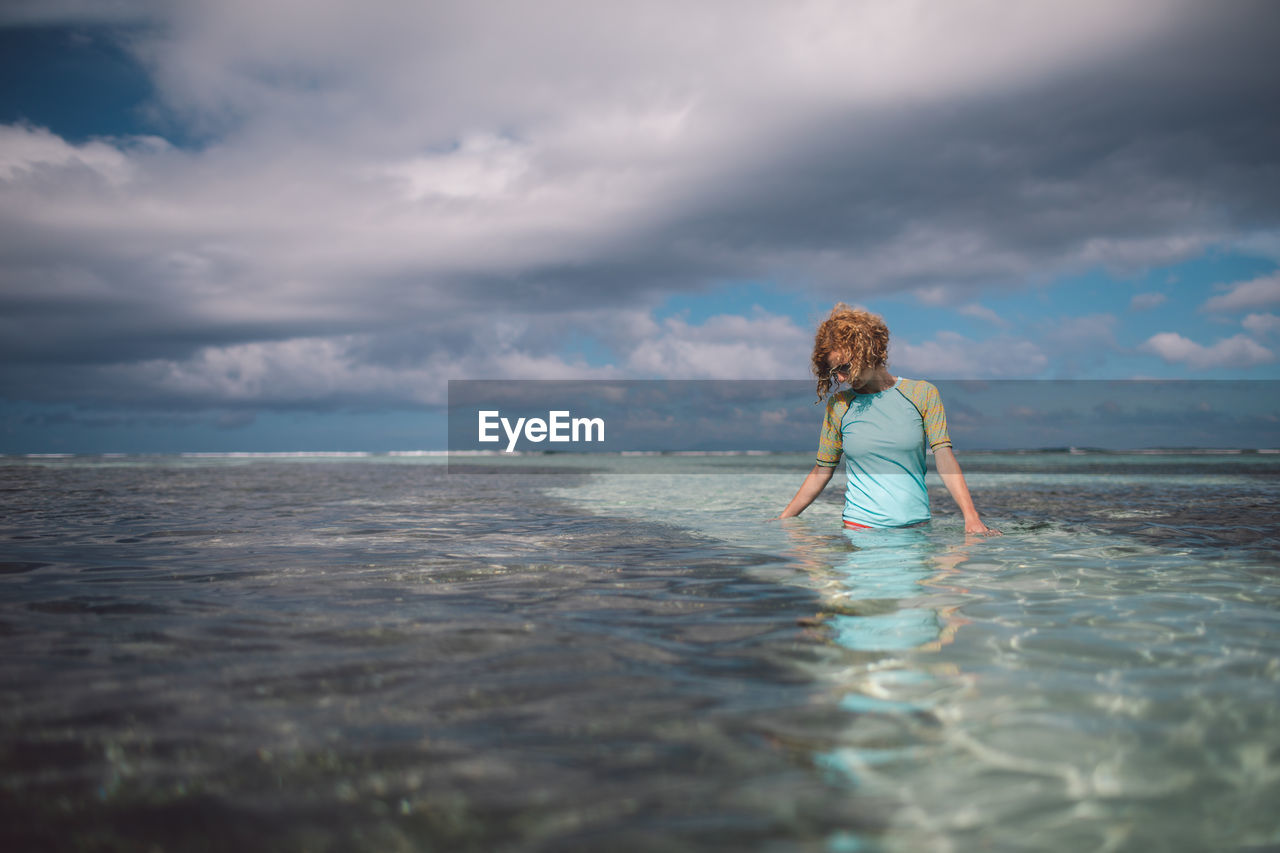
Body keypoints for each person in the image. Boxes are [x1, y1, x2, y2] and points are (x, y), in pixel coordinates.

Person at [779, 304, 999, 536]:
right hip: (859, 532)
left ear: (868, 351)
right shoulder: (839, 405)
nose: (841, 378)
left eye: (844, 367)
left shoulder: (922, 393)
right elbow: (821, 471)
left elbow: (944, 457)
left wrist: (971, 517)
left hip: (916, 530)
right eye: (834, 373)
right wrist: (782, 521)